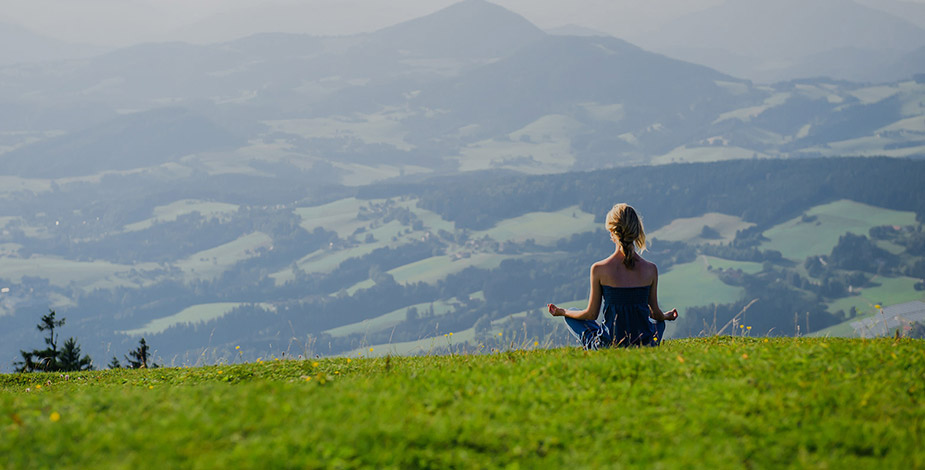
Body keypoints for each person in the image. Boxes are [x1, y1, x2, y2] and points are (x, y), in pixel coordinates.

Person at [547, 203, 678, 349]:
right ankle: (647, 343)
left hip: (610, 345)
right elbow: (655, 314)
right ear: (637, 231)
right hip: (644, 343)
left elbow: (591, 314)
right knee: (659, 324)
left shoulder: (599, 269)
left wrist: (562, 311)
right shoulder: (651, 269)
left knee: (573, 313)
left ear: (612, 232)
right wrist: (666, 316)